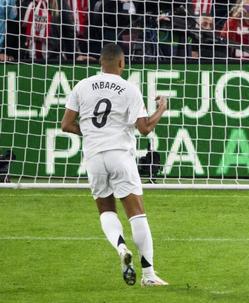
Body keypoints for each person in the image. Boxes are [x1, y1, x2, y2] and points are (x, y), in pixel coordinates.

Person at [60, 43, 169, 286]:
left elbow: (66, 125)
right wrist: (161, 108)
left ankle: (121, 247)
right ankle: (149, 275)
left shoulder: (82, 86)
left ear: (101, 62)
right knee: (137, 213)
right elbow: (144, 128)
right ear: (121, 63)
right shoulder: (129, 89)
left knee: (106, 210)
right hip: (120, 155)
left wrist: (90, 133)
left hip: (94, 157)